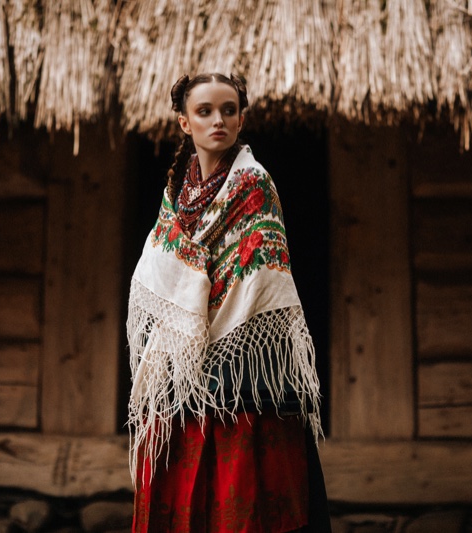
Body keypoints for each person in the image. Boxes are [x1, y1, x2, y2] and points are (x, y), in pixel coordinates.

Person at [126, 72, 331, 532]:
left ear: (241, 120)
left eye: (229, 110)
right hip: (180, 363)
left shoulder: (254, 184)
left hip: (241, 365)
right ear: (184, 122)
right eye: (205, 111)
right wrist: (182, 328)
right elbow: (161, 272)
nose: (218, 120)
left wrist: (212, 323)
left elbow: (259, 274)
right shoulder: (176, 194)